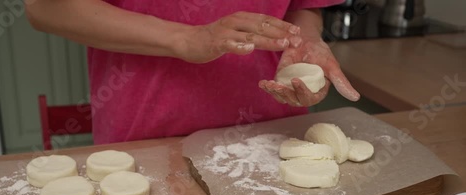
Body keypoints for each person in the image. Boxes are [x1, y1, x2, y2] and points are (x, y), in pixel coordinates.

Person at [26, 0, 360, 144]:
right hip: (146, 139)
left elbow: (304, 6)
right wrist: (187, 38)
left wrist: (305, 43)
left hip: (273, 137)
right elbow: (45, 8)